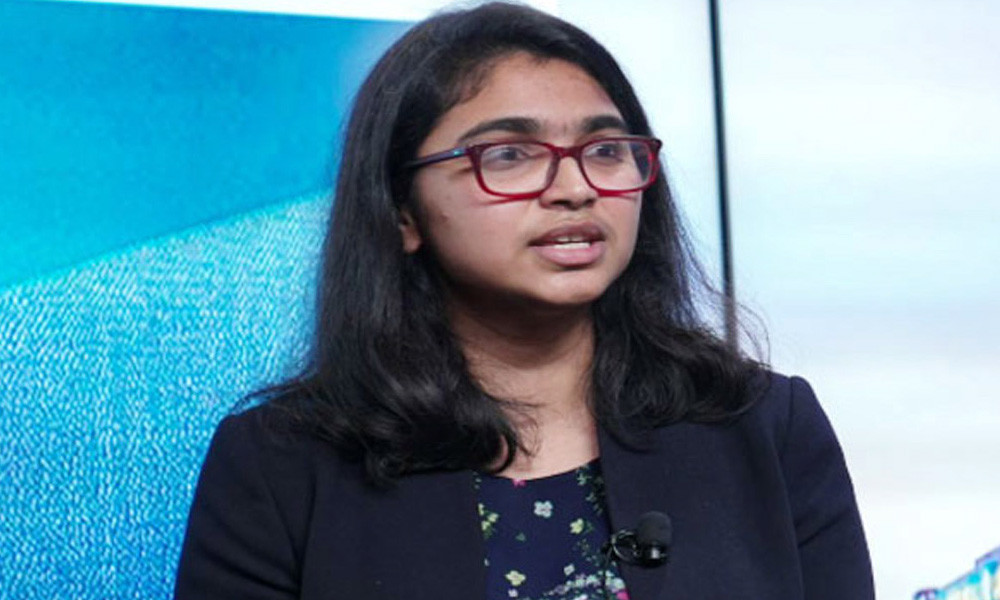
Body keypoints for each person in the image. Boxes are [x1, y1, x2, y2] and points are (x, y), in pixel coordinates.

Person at [174, 3, 874, 599]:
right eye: (508, 155)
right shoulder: (280, 466)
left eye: (606, 150)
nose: (575, 188)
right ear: (401, 211)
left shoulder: (767, 429)